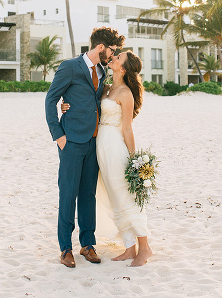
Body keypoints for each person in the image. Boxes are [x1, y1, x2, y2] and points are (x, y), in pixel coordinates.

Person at [61, 50, 153, 266]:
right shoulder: (107, 87)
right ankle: (129, 247)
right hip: (100, 148)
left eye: (119, 58)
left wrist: (134, 160)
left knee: (126, 196)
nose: (114, 58)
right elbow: (86, 103)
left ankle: (144, 248)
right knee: (114, 197)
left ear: (123, 68)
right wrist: (65, 105)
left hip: (115, 148)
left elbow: (127, 128)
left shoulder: (125, 93)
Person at [45, 27, 125, 268]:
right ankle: (65, 248)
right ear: (101, 47)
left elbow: (95, 101)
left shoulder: (102, 71)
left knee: (88, 195)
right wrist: (58, 136)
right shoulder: (69, 67)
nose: (113, 55)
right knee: (68, 194)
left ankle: (87, 244)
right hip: (70, 142)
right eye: (112, 50)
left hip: (93, 142)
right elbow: (51, 99)